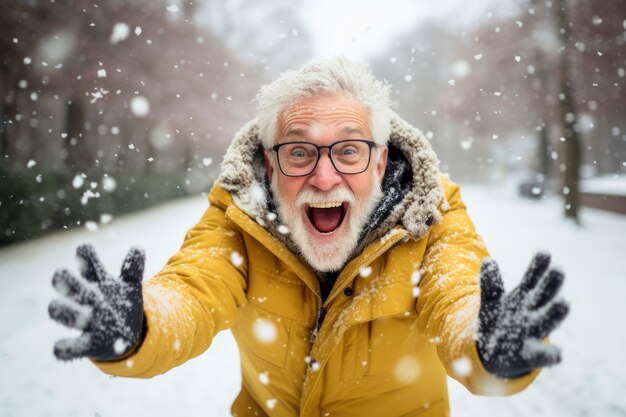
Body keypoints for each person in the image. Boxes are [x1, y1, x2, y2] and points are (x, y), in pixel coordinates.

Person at [49, 57, 569, 417]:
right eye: (299, 152)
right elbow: (191, 290)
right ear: (270, 164)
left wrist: (488, 346)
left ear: (382, 160)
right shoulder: (238, 217)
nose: (324, 178)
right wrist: (141, 326)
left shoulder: (431, 216)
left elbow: (457, 296)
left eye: (348, 151)